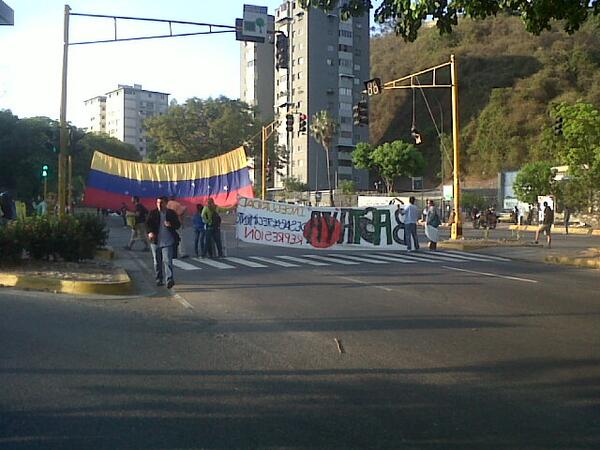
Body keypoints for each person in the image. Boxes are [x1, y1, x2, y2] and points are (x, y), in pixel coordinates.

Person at [146, 196, 181, 289]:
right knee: (157, 262)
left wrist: (171, 224)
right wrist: (150, 232)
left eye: (161, 203)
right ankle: (159, 278)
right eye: (157, 203)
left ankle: (169, 279)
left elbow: (178, 225)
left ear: (166, 203)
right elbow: (147, 224)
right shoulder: (153, 213)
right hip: (156, 241)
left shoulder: (171, 213)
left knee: (167, 261)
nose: (159, 205)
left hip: (168, 241)